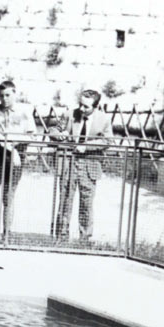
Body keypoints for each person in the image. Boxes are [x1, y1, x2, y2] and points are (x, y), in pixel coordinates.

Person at [52, 89, 113, 241]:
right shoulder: (70, 115)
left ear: (96, 106)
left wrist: (86, 146)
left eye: (86, 107)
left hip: (89, 165)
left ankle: (84, 238)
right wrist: (59, 134)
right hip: (69, 162)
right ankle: (61, 236)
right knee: (65, 199)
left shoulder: (104, 119)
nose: (81, 109)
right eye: (80, 105)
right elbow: (52, 129)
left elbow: (107, 141)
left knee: (86, 203)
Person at [0, 80, 36, 241]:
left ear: (14, 94)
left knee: (8, 197)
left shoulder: (25, 112)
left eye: (8, 95)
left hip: (16, 160)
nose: (4, 99)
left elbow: (31, 135)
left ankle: (7, 233)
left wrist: (14, 147)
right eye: (1, 96)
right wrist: (10, 147)